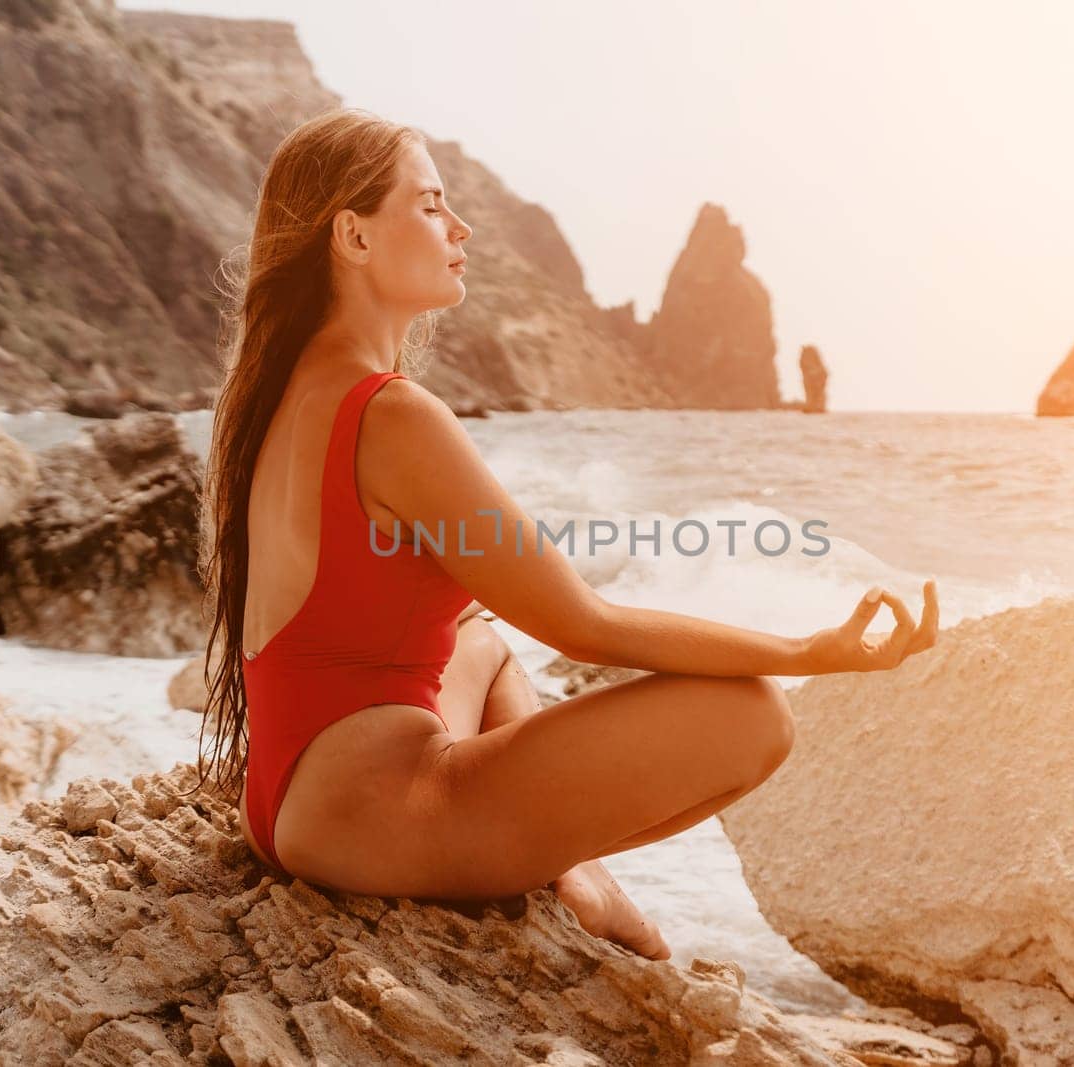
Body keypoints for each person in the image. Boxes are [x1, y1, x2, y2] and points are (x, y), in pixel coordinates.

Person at [194, 108, 938, 962]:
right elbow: (585, 623)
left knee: (479, 638)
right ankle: (577, 873)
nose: (459, 226)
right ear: (354, 237)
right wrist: (812, 649)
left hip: (287, 800)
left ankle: (574, 868)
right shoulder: (392, 415)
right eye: (431, 204)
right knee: (753, 715)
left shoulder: (278, 395)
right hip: (374, 824)